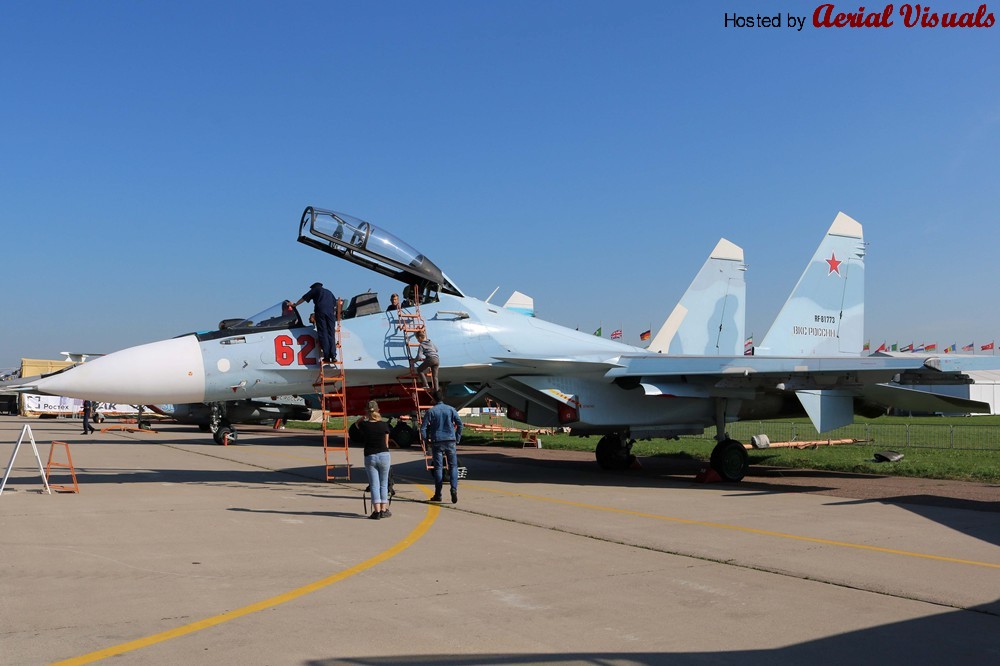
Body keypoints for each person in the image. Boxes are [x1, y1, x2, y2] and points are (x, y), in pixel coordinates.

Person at [420, 390, 463, 503]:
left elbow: (423, 428)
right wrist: (457, 437)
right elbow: (460, 424)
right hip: (450, 440)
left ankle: (438, 494)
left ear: (433, 399)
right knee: (453, 466)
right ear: (443, 398)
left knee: (438, 468)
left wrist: (426, 440)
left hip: (437, 441)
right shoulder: (451, 409)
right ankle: (453, 489)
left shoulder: (431, 411)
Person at [357, 400, 392, 519]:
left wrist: (364, 417)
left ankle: (376, 512)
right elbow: (386, 443)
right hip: (384, 455)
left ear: (366, 412)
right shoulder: (384, 425)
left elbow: (357, 423)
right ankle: (383, 509)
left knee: (374, 485)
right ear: (378, 410)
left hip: (370, 456)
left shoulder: (364, 425)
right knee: (384, 484)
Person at [293, 282, 337, 363]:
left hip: (321, 312)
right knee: (331, 333)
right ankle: (333, 355)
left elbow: (304, 298)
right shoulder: (329, 292)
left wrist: (295, 305)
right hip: (331, 313)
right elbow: (335, 303)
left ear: (313, 287)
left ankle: (327, 356)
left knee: (323, 333)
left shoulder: (315, 290)